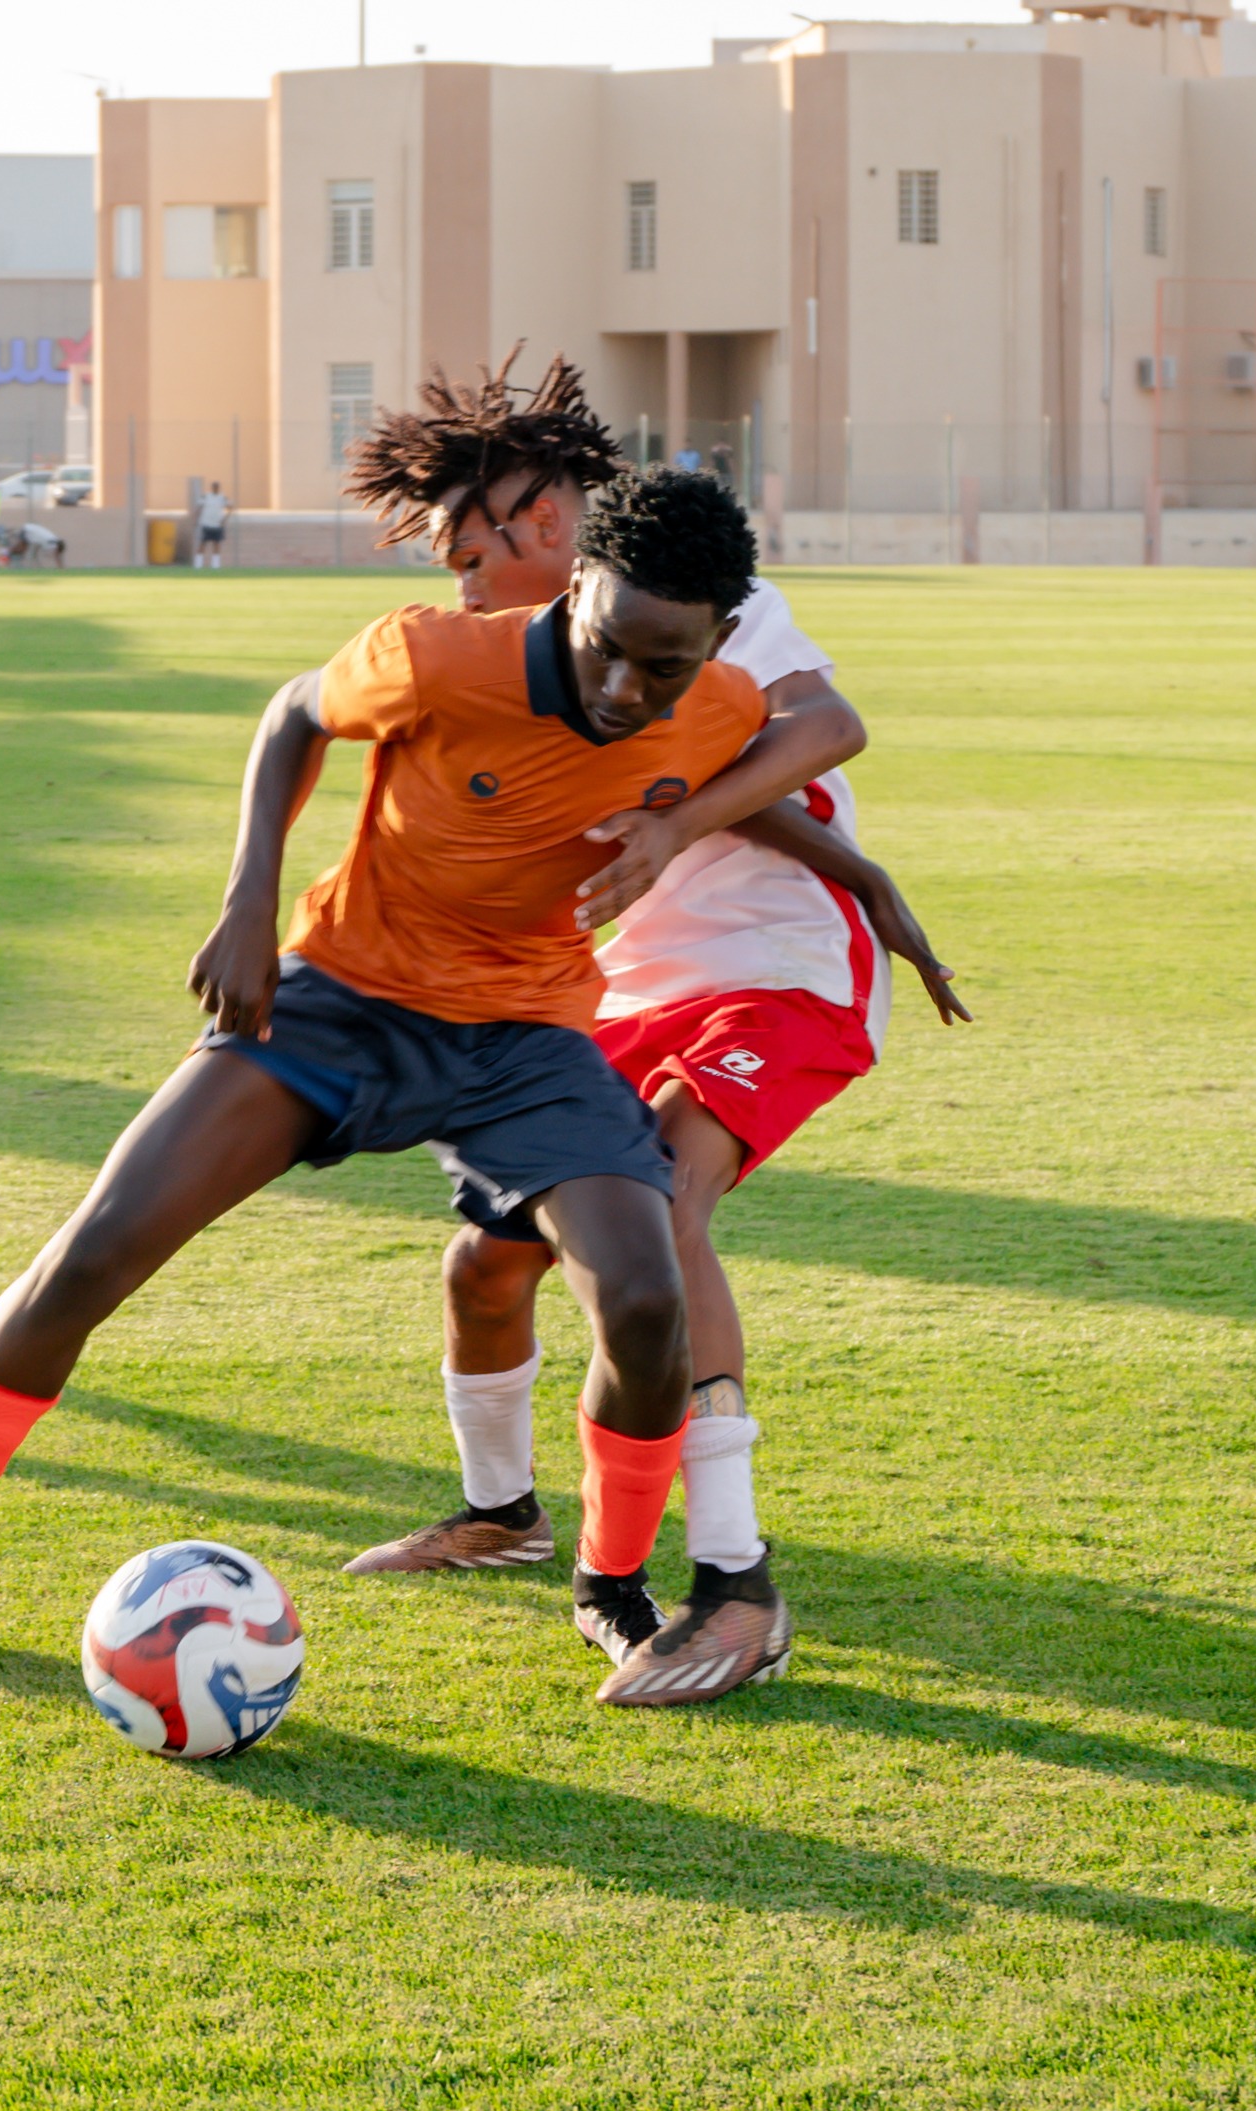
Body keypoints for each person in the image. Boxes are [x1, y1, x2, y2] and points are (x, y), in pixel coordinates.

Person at [0, 467, 863, 1702]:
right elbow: (295, 713)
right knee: (92, 1254)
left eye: (662, 667)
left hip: (526, 1036)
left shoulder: (709, 700)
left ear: (718, 641)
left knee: (644, 1295)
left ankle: (610, 1587)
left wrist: (849, 877)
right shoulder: (438, 658)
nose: (627, 689)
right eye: (608, 646)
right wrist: (246, 901)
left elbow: (784, 758)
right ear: (575, 588)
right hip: (341, 1000)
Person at [332, 355, 966, 1706]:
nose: (459, 587)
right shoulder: (526, 661)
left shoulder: (680, 583)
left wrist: (732, 843)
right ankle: (501, 1512)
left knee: (666, 1204)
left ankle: (737, 1582)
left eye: (467, 552)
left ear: (538, 525)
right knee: (483, 1265)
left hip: (775, 969)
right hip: (623, 986)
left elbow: (825, 725)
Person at [196, 479, 229, 570]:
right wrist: (196, 518)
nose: (215, 488)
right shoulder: (206, 496)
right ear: (212, 488)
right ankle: (198, 565)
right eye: (214, 487)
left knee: (217, 544)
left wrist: (225, 519)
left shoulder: (222, 497)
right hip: (206, 523)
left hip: (217, 525)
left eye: (217, 487)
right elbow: (199, 507)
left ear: (219, 488)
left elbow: (229, 508)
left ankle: (215, 565)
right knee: (202, 543)